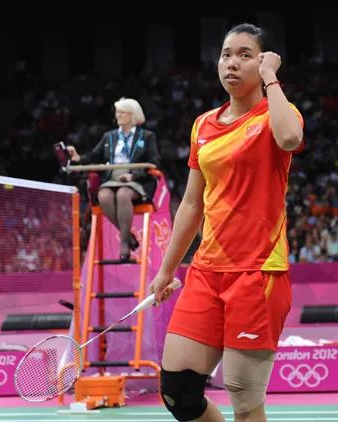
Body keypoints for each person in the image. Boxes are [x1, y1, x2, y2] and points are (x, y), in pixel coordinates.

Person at [148, 23, 304, 422]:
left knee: (244, 402)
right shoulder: (203, 125)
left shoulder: (277, 114)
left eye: (245, 55)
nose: (232, 63)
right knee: (178, 392)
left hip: (257, 273)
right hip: (206, 272)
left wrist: (271, 78)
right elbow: (191, 204)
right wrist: (167, 269)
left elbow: (289, 139)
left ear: (264, 61)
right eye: (226, 54)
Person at [67, 97, 160, 261]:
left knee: (123, 194)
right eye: (117, 112)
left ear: (132, 115)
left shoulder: (147, 136)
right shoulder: (109, 136)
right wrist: (77, 157)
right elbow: (93, 156)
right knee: (103, 196)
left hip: (135, 180)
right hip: (112, 178)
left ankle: (124, 244)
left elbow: (154, 161)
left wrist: (133, 175)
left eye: (122, 112)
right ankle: (128, 236)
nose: (118, 115)